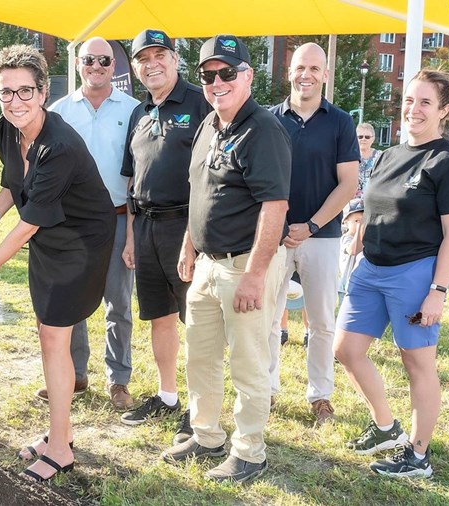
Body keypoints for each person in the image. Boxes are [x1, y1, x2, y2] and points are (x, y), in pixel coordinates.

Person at [0, 44, 115, 482]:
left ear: (44, 91)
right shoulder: (10, 128)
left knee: (53, 339)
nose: (15, 102)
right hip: (49, 234)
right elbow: (14, 184)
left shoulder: (58, 146)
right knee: (49, 334)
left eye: (25, 91)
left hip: (81, 242)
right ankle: (57, 432)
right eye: (5, 93)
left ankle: (61, 448)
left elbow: (26, 226)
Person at [334, 69, 449, 478]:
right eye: (410, 100)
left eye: (425, 103)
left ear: (444, 111)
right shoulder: (389, 155)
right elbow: (376, 203)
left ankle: (418, 455)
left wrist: (438, 291)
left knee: (416, 364)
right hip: (370, 269)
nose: (413, 109)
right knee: (345, 350)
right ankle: (386, 427)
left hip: (414, 275)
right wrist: (359, 222)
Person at [160, 35, 291, 483]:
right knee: (201, 357)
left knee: (248, 363)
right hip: (206, 264)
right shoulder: (209, 124)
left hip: (243, 266)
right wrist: (188, 245)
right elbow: (200, 192)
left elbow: (275, 206)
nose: (217, 82)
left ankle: (250, 451)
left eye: (227, 73)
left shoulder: (263, 129)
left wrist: (256, 275)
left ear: (248, 76)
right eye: (208, 75)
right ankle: (206, 434)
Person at [119, 29, 212, 440]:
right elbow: (131, 181)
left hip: (186, 226)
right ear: (136, 68)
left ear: (176, 59)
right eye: (143, 58)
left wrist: (192, 240)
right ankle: (168, 396)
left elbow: (211, 179)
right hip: (146, 227)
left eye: (160, 54)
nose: (151, 63)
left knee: (196, 322)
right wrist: (129, 237)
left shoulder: (201, 103)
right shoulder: (139, 113)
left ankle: (199, 408)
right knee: (159, 316)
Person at [39, 37, 140, 411]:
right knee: (72, 303)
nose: (96, 66)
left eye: (104, 60)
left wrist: (131, 231)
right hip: (73, 223)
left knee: (119, 303)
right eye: (88, 60)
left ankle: (119, 380)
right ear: (78, 64)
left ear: (114, 66)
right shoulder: (58, 111)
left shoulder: (134, 111)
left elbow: (136, 177)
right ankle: (75, 374)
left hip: (116, 219)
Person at [268, 42, 359, 425]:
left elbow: (348, 183)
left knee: (321, 321)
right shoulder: (269, 119)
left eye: (314, 68)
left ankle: (320, 396)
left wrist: (312, 225)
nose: (306, 74)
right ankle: (266, 391)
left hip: (321, 236)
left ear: (325, 74)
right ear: (290, 70)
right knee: (268, 320)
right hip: (272, 236)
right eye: (300, 67)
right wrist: (280, 225)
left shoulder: (339, 122)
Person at [342, 122, 381, 257]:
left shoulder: (381, 156)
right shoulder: (347, 155)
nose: (363, 139)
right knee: (352, 230)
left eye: (367, 137)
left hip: (372, 200)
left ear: (373, 138)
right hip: (351, 202)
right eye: (360, 136)